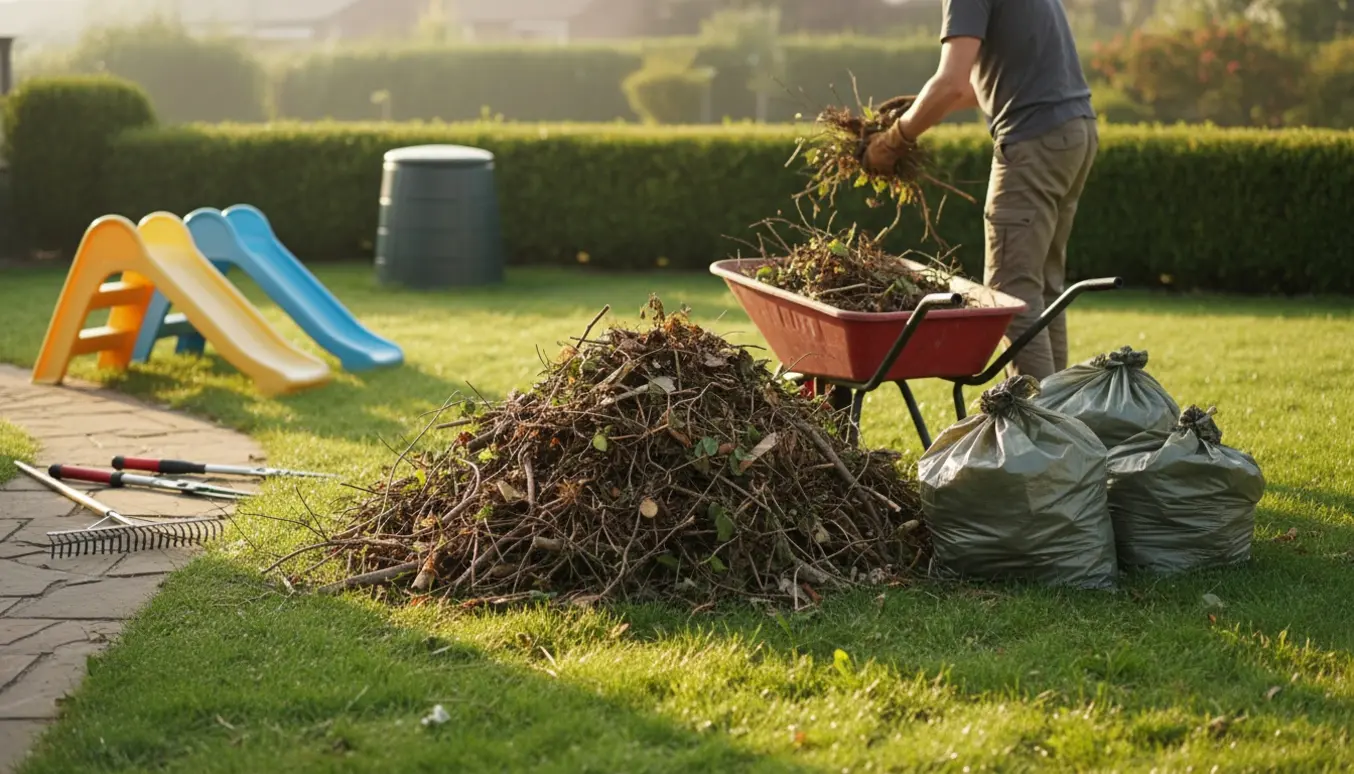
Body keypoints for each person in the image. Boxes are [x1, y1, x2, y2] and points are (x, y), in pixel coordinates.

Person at [861, 0, 1099, 380]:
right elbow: (977, 85)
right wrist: (922, 106)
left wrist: (892, 140)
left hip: (1033, 138)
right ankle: (1061, 417)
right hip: (1074, 132)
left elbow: (952, 81)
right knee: (1044, 287)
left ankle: (1036, 427)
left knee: (1012, 291)